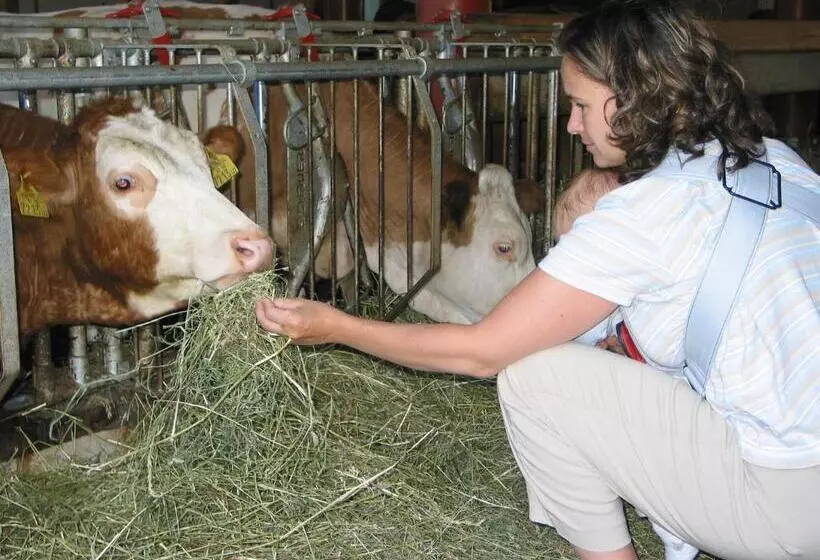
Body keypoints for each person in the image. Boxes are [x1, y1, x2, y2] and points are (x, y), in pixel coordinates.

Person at [255, 1, 820, 558]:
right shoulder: (774, 160)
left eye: (580, 104)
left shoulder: (647, 212)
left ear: (631, 100)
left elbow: (482, 351)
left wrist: (338, 327)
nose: (571, 124)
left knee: (533, 376)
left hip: (790, 502)